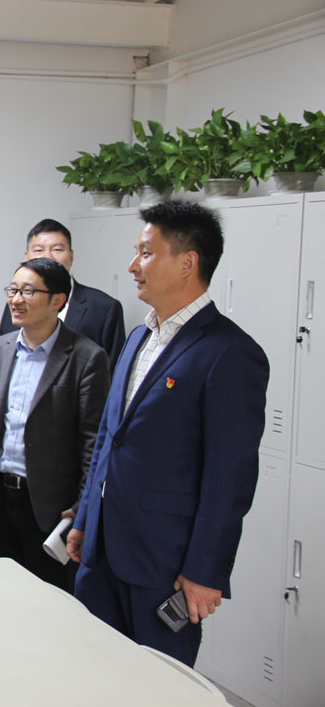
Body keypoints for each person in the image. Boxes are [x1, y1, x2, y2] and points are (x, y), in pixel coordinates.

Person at [66, 201, 269, 667]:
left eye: (145, 253)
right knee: (93, 675)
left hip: (164, 564)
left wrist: (205, 570)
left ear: (187, 262)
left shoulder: (229, 353)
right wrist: (85, 519)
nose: (132, 266)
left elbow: (229, 478)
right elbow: (110, 438)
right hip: (101, 551)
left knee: (157, 685)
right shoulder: (139, 337)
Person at [0, 257, 109, 589]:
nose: (16, 299)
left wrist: (81, 506)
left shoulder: (86, 357)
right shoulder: (0, 349)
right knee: (3, 588)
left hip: (50, 505)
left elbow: (93, 442)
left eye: (28, 291)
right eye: (13, 290)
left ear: (58, 300)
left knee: (47, 595)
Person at [0, 219, 125, 369]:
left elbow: (113, 371)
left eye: (57, 250)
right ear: (26, 257)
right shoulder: (17, 304)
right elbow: (3, 362)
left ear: (71, 256)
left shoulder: (104, 308)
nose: (48, 257)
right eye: (38, 250)